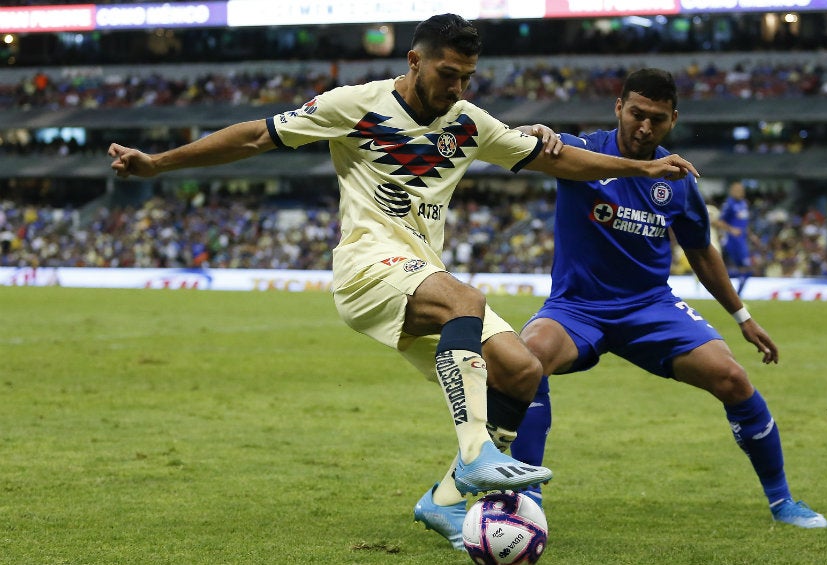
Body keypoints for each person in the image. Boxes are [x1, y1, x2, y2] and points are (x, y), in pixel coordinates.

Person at [106, 14, 700, 550]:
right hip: (368, 267)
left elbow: (562, 161)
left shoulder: (468, 123)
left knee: (521, 370)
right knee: (466, 298)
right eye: (448, 73)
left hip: (423, 277)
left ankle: (440, 504)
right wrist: (158, 164)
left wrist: (640, 165)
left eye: (467, 76)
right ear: (414, 61)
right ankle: (474, 458)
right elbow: (255, 136)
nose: (458, 87)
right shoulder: (355, 106)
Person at [507, 68, 827, 529]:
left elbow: (700, 250)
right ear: (618, 107)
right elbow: (520, 143)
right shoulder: (579, 151)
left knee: (733, 378)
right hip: (578, 307)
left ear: (672, 120)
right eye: (637, 114)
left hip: (649, 308)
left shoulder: (678, 180)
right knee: (527, 359)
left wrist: (742, 316)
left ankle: (783, 502)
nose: (644, 127)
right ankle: (527, 500)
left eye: (657, 119)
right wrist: (533, 132)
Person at [716, 180, 754, 296]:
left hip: (742, 240)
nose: (740, 192)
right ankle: (733, 295)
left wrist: (752, 235)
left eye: (741, 190)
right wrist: (732, 230)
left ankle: (736, 295)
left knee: (746, 269)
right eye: (737, 190)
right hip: (733, 241)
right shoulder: (729, 204)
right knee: (745, 268)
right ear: (732, 191)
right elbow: (719, 222)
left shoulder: (744, 204)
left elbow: (743, 223)